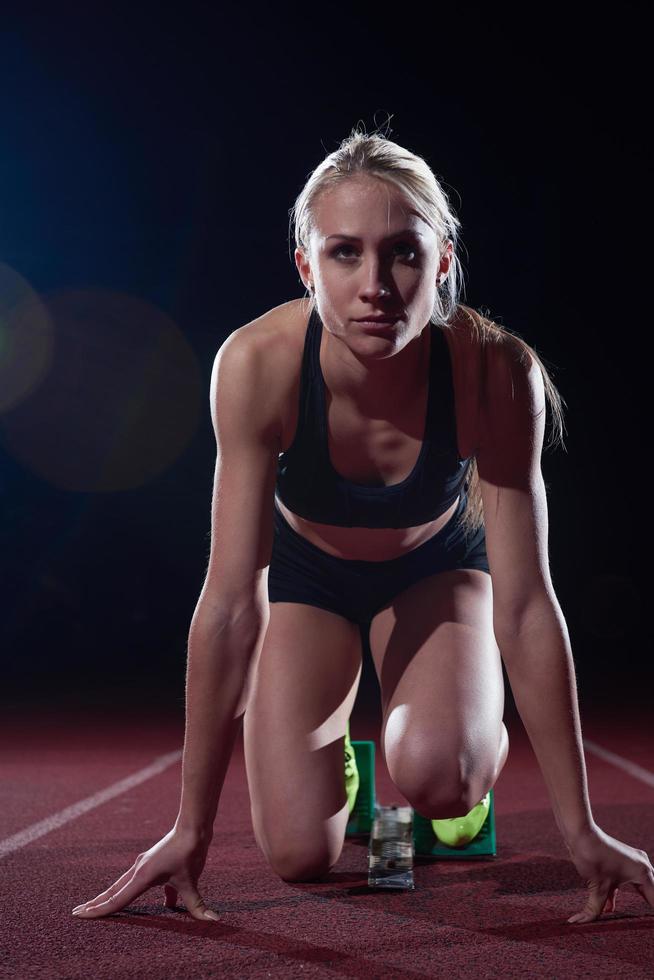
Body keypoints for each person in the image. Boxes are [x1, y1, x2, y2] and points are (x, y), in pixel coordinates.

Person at [71, 127, 654, 925]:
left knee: (440, 773)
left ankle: (459, 794)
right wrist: (190, 826)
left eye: (404, 253)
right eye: (345, 253)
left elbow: (524, 607)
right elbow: (234, 602)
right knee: (297, 857)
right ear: (308, 267)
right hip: (309, 581)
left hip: (437, 571)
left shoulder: (495, 371)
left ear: (443, 260)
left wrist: (580, 827)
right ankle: (340, 762)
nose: (376, 284)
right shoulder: (257, 364)